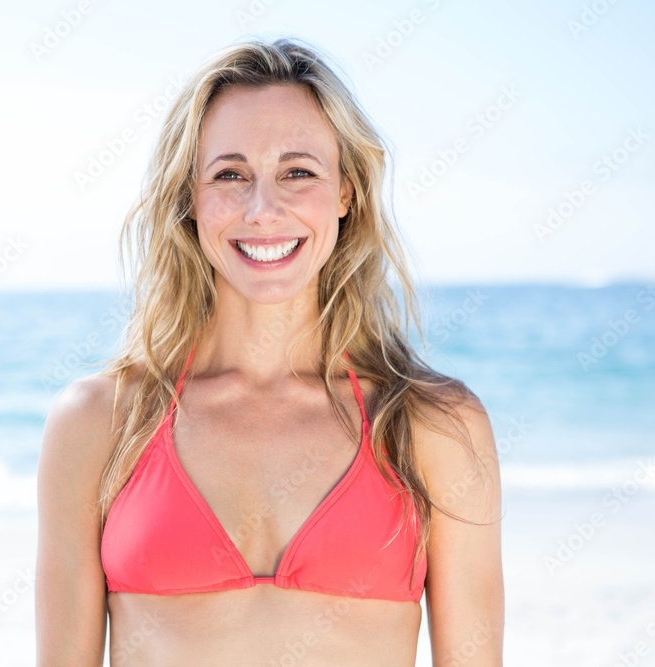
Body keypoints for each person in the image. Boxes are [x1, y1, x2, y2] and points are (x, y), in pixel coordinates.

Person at [36, 37, 503, 666]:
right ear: (190, 200)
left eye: (298, 173)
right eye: (230, 174)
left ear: (347, 193)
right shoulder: (100, 421)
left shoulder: (434, 425)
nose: (263, 210)